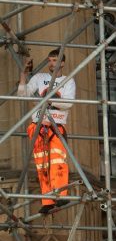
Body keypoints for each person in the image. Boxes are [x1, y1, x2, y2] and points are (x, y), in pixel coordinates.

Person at [18, 49, 76, 215]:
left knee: (58, 161)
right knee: (42, 165)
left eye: (55, 60)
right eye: (50, 60)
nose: (52, 63)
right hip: (38, 126)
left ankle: (60, 194)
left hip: (56, 125)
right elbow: (23, 94)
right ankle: (48, 201)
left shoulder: (68, 80)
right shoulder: (39, 78)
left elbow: (68, 103)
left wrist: (48, 100)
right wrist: (23, 75)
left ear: (62, 63)